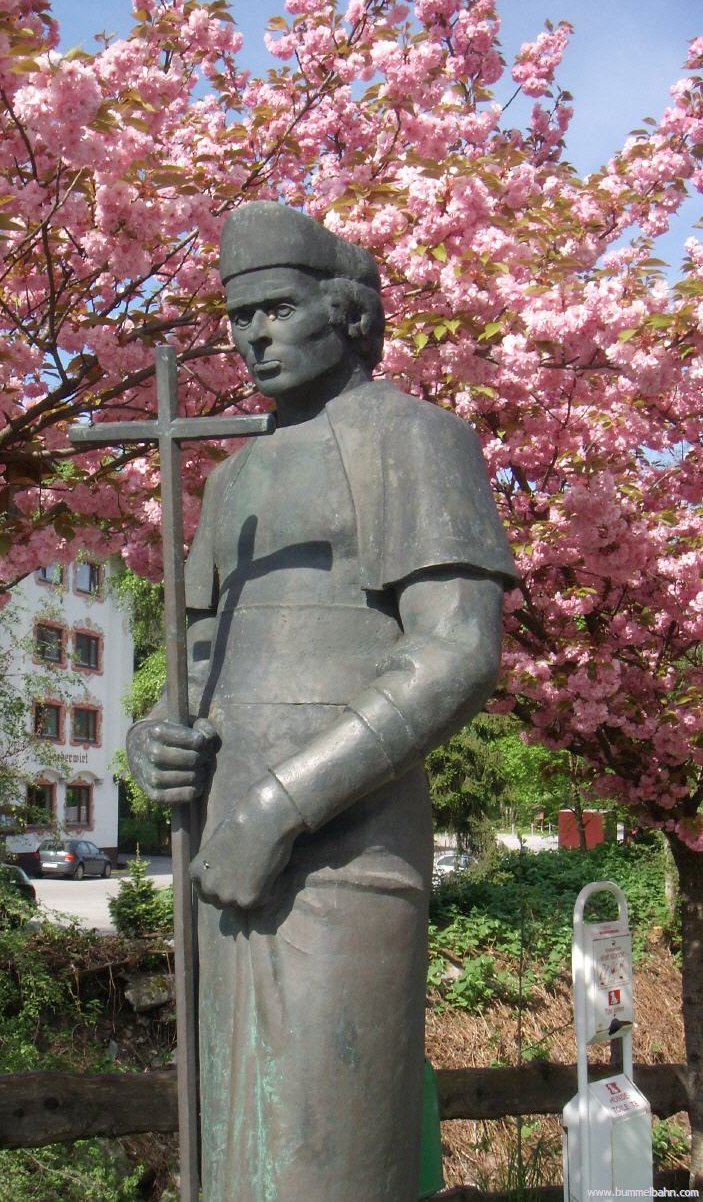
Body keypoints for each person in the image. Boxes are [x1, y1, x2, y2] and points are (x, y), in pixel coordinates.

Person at [127, 201, 518, 1201]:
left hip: (342, 854)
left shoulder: (416, 439)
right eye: (239, 317)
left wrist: (280, 805)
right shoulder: (232, 478)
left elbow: (455, 653)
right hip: (222, 853)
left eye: (279, 309)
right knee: (232, 1156)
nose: (254, 337)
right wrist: (153, 735)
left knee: (323, 1153)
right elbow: (196, 658)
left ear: (346, 313)